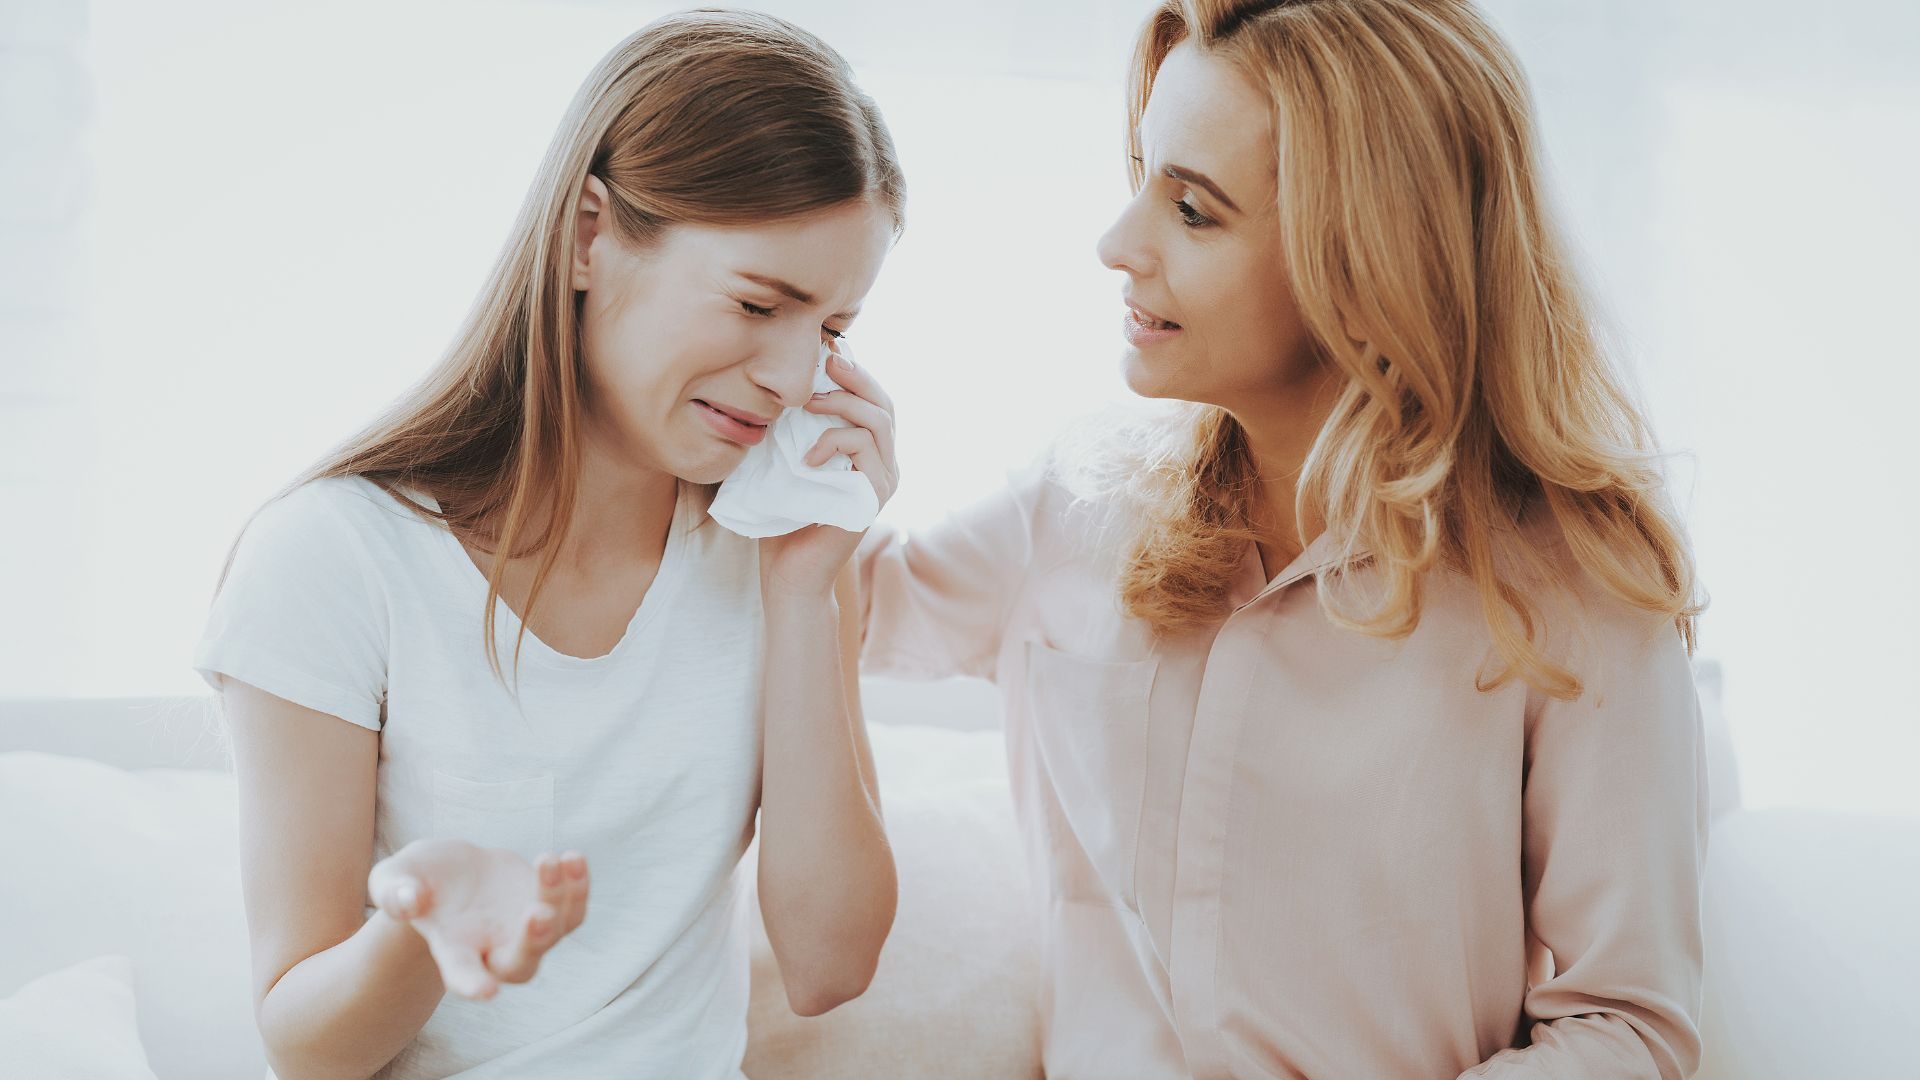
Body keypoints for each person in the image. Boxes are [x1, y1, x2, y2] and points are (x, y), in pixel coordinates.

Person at [854, 1, 1708, 1076]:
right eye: (1142, 177)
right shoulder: (1075, 505)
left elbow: (1626, 1028)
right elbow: (826, 608)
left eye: (1194, 211)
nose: (1118, 244)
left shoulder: (1576, 596)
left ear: (1364, 263)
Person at [195, 11, 903, 1078]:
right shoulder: (334, 558)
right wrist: (421, 929)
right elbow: (307, 1047)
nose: (797, 377)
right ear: (587, 235)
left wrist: (808, 596)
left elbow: (829, 965)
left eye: (833, 330)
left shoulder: (781, 556)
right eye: (761, 302)